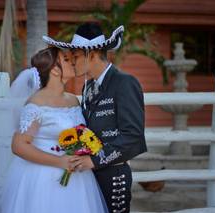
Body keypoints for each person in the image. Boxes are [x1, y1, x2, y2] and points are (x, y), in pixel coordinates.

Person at [0, 47, 107, 213]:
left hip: (77, 176)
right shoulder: (36, 103)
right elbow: (19, 145)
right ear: (55, 70)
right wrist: (60, 162)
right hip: (43, 177)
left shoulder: (73, 100)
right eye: (65, 59)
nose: (72, 61)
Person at [43, 23, 147, 213]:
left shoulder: (124, 83)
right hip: (88, 178)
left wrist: (94, 161)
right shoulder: (88, 88)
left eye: (75, 57)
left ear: (91, 54)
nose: (72, 62)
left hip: (113, 174)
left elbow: (133, 137)